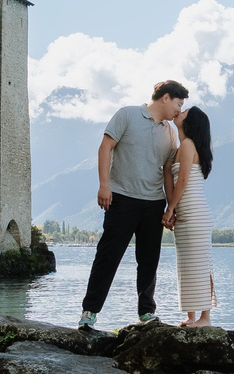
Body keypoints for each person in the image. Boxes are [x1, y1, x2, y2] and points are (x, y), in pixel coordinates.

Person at [78, 80, 187, 328]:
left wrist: (171, 207)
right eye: (179, 104)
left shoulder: (169, 132)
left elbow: (169, 171)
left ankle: (146, 313)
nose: (179, 111)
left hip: (153, 203)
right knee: (108, 256)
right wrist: (104, 185)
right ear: (166, 98)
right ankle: (89, 313)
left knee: (149, 261)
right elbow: (106, 147)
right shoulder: (127, 114)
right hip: (122, 198)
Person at [164, 106, 217, 326]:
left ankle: (205, 318)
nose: (179, 111)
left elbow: (183, 181)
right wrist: (173, 209)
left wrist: (169, 209)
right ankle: (191, 316)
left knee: (199, 264)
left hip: (194, 212)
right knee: (187, 265)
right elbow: (171, 177)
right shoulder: (180, 147)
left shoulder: (187, 145)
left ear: (191, 122)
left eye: (184, 111)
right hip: (186, 212)